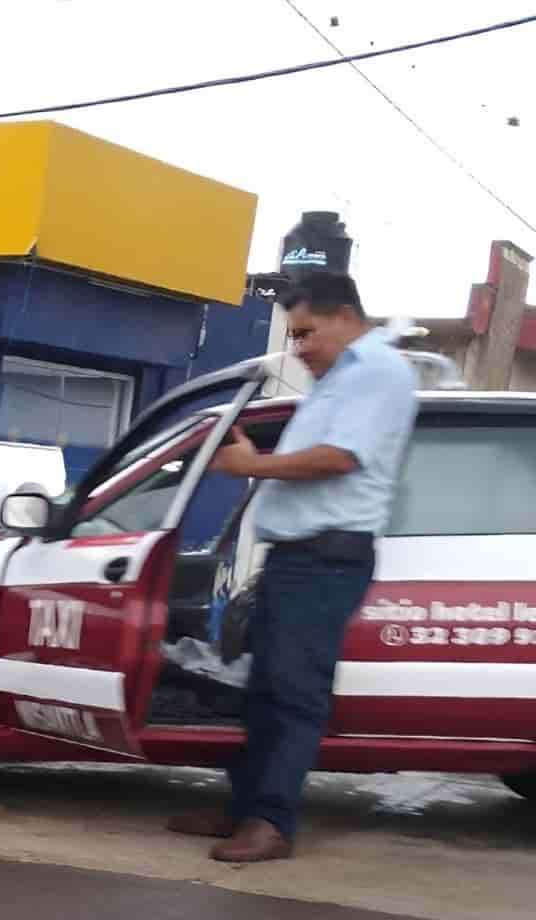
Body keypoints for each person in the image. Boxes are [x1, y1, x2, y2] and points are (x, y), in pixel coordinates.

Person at [167, 270, 419, 863]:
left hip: (326, 558)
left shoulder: (377, 372)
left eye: (307, 333)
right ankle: (245, 808)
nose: (300, 348)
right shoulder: (335, 381)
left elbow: (338, 458)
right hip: (298, 558)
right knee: (265, 690)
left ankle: (271, 822)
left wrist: (253, 466)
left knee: (294, 693)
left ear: (343, 317)